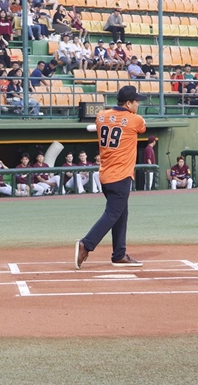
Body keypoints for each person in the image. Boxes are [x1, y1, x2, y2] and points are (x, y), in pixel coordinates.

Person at [75, 85, 147, 270]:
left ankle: (119, 254)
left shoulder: (101, 115)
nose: (138, 104)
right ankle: (87, 244)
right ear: (128, 103)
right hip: (121, 175)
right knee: (113, 213)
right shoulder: (135, 119)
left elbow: (109, 121)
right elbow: (142, 127)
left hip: (106, 174)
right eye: (136, 101)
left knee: (120, 213)